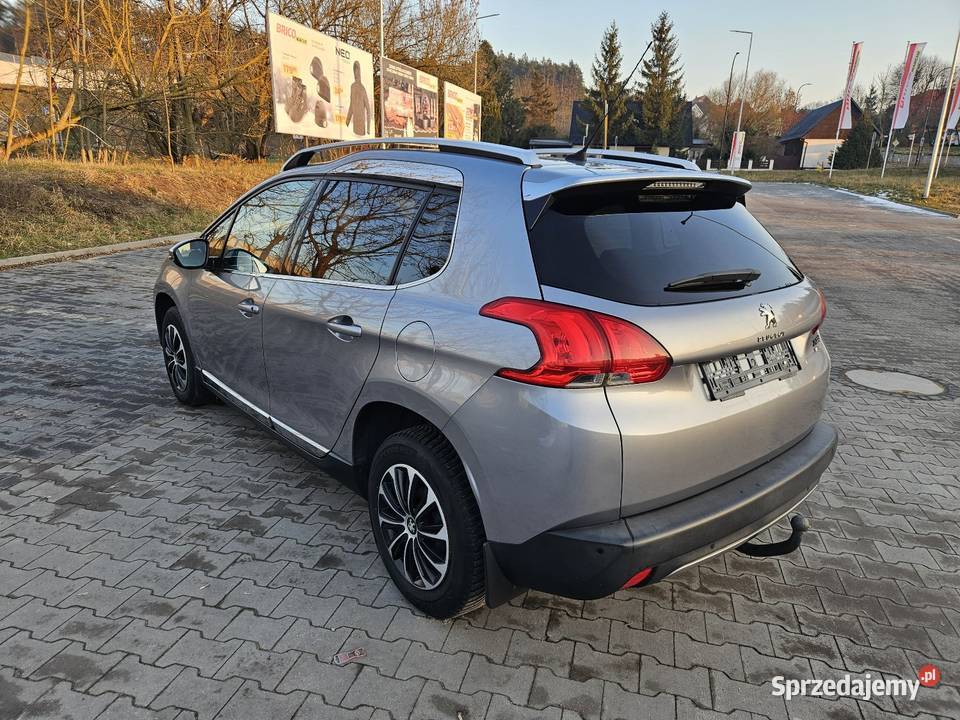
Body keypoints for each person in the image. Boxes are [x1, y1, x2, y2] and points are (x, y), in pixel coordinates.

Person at [345, 60, 371, 136]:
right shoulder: (352, 86)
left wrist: (368, 129)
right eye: (354, 70)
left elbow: (368, 110)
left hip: (361, 126)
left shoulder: (362, 88)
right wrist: (347, 122)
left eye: (357, 70)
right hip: (354, 126)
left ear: (360, 71)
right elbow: (351, 105)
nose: (356, 73)